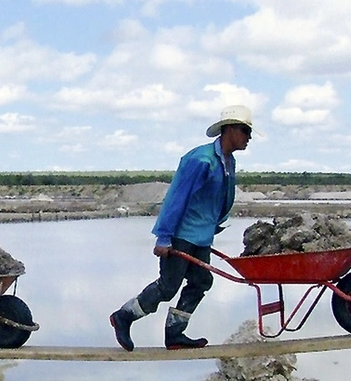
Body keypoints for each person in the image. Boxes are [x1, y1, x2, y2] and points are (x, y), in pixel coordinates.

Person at [109, 105, 257, 351]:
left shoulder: (229, 161)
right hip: (182, 234)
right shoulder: (201, 160)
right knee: (168, 286)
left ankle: (175, 333)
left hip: (201, 236)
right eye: (245, 131)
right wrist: (164, 236)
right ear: (229, 129)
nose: (248, 137)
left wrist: (215, 223)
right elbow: (177, 197)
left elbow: (219, 197)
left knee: (201, 281)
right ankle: (123, 316)